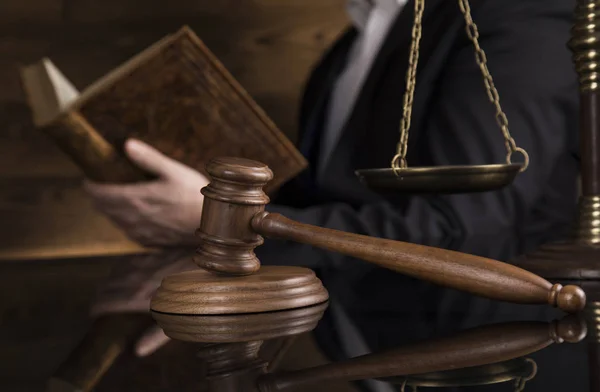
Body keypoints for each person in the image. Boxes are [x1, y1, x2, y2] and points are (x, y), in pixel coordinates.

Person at [85, 0, 579, 366]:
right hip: (361, 339)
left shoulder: (512, 18)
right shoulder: (351, 45)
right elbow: (326, 195)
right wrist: (201, 211)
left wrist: (226, 221)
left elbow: (469, 229)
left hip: (490, 350)